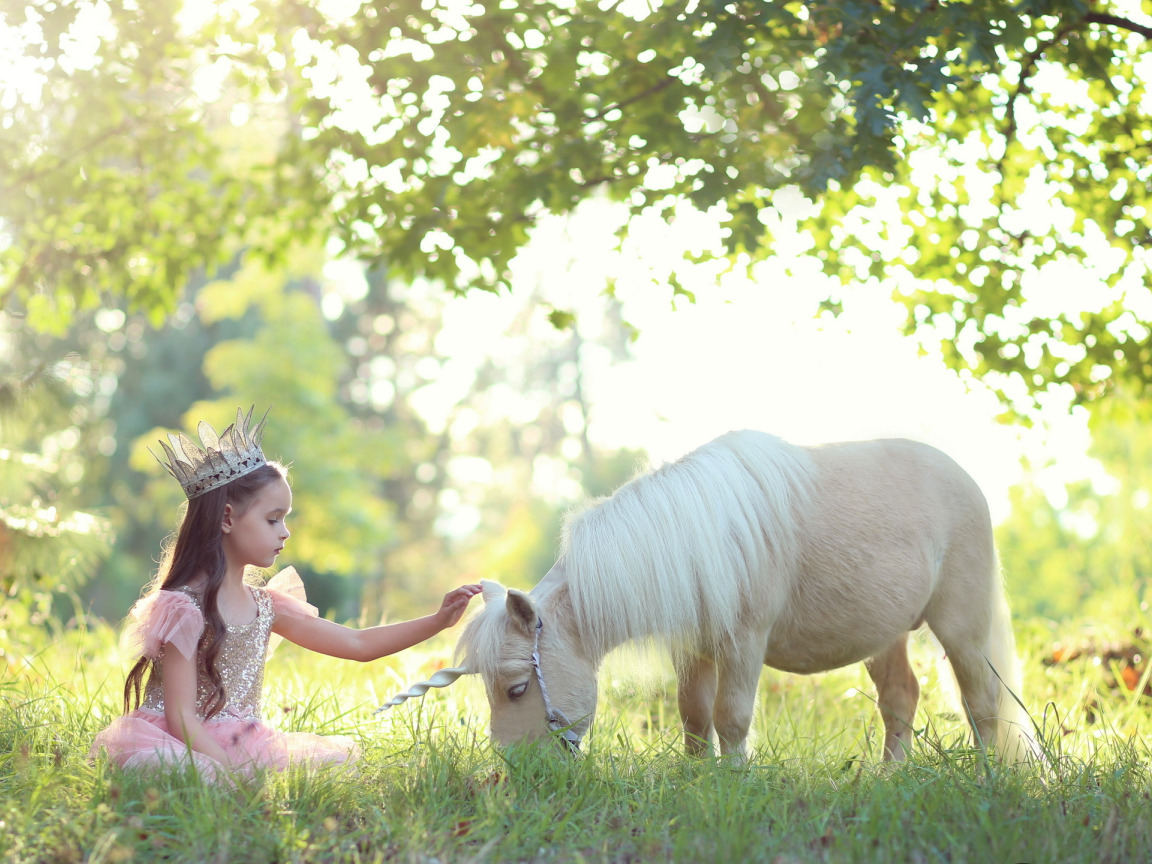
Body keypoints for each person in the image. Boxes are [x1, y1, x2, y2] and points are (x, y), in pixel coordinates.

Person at [90, 407, 481, 782]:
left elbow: (358, 643)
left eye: (285, 519)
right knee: (190, 775)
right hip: (181, 743)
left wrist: (437, 621)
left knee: (329, 766)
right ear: (227, 518)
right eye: (273, 519)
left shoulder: (267, 606)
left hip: (245, 744)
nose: (285, 532)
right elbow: (180, 717)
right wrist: (230, 771)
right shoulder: (183, 608)